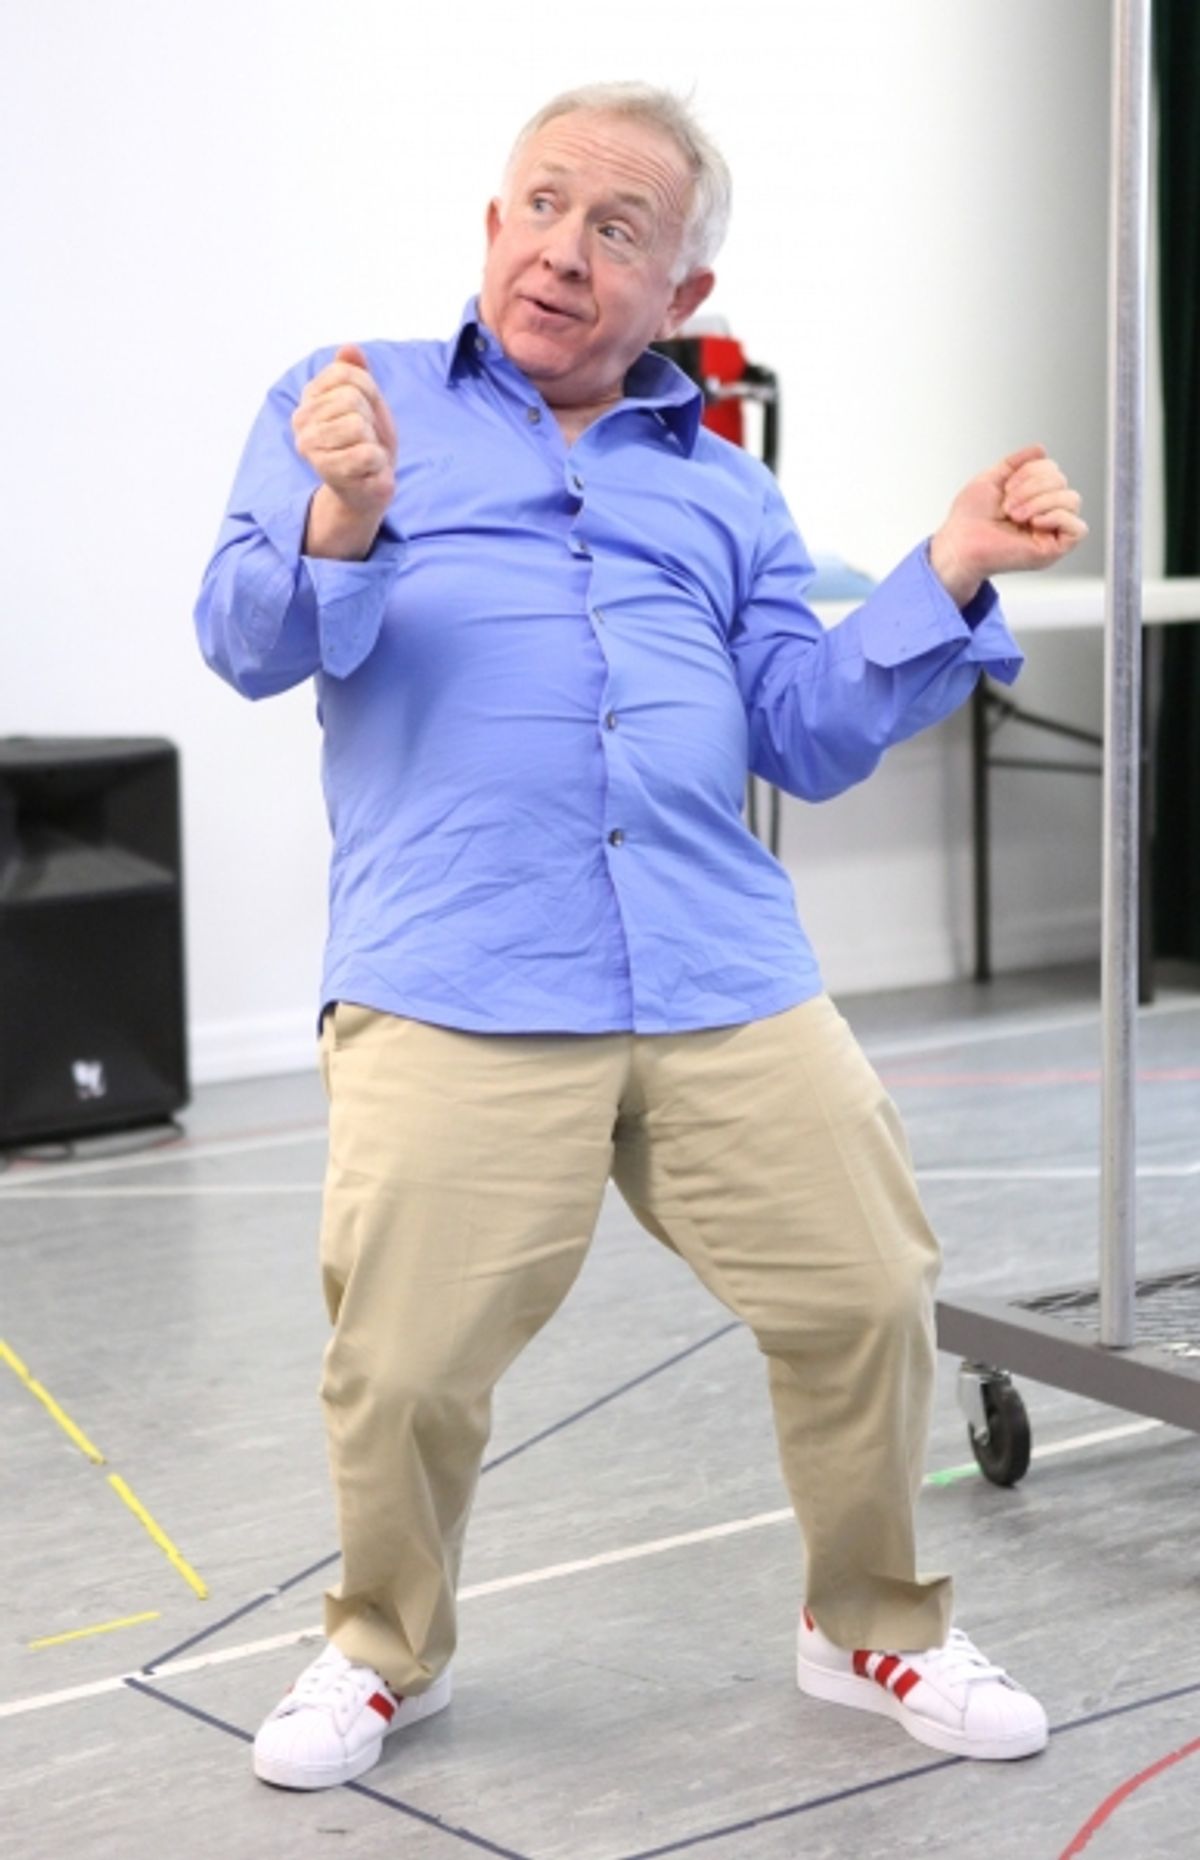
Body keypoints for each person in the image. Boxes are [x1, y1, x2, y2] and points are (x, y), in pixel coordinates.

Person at [195, 82, 1086, 1794]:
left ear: (681, 299)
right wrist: (346, 521)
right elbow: (244, 640)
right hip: (459, 968)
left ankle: (868, 1619)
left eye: (619, 232)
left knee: (867, 1289)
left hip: (718, 966)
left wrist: (949, 569)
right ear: (488, 229)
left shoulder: (728, 493)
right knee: (404, 1362)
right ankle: (385, 1648)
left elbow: (807, 730)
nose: (564, 250)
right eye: (541, 207)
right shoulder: (353, 405)